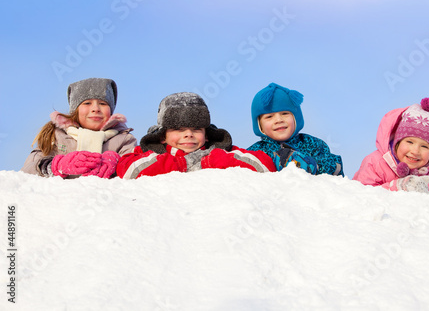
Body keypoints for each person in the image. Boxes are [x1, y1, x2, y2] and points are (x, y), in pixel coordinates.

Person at [116, 92, 275, 179]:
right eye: (178, 129)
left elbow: (264, 165)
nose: (188, 135)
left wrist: (210, 160)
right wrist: (181, 163)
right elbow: (129, 170)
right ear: (163, 135)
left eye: (197, 129)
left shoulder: (220, 151)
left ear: (206, 134)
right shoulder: (150, 154)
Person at [21, 78, 137, 179]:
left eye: (102, 103)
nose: (95, 108)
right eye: (87, 103)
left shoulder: (124, 140)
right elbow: (26, 171)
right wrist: (54, 166)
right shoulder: (58, 136)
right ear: (75, 110)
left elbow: (135, 171)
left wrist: (117, 165)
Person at [353, 97, 429, 210]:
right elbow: (360, 195)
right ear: (398, 141)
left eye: (424, 146)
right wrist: (398, 187)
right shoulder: (376, 162)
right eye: (410, 142)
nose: (415, 151)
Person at [247, 83, 343, 176]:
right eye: (269, 117)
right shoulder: (255, 152)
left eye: (285, 114)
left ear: (296, 118)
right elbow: (238, 168)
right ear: (259, 125)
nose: (278, 120)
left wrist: (312, 165)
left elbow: (335, 166)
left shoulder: (313, 144)